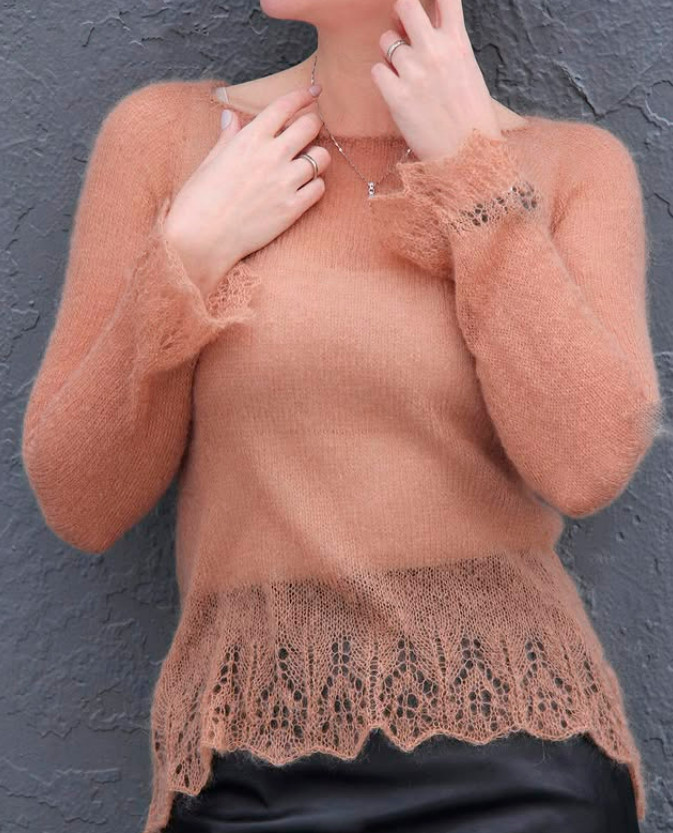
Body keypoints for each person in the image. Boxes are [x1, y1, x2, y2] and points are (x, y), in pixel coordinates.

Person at [21, 0, 664, 831]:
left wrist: (476, 180)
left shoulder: (572, 167)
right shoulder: (171, 140)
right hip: (248, 759)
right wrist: (187, 257)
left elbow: (587, 466)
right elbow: (81, 501)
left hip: (524, 759)